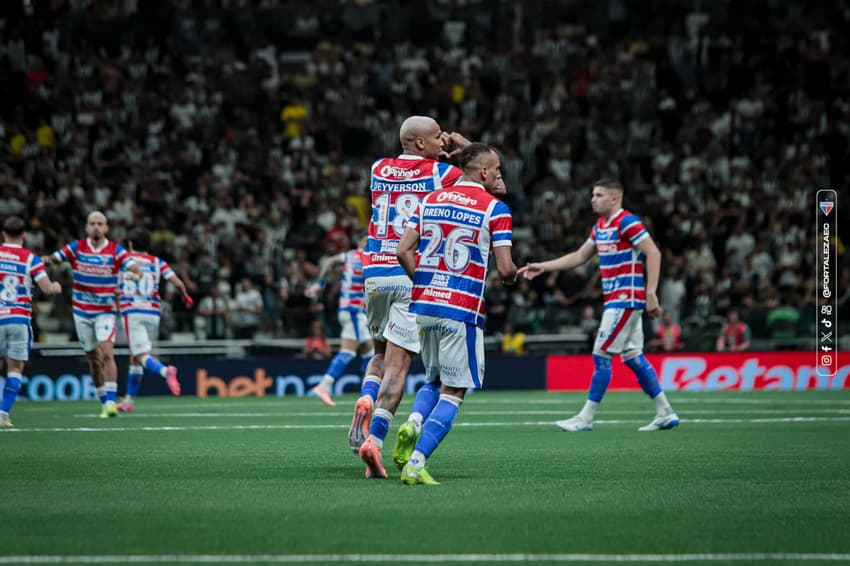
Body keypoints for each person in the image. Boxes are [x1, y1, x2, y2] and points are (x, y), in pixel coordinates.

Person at [388, 142, 516, 485]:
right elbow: (504, 269)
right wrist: (514, 275)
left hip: (425, 305)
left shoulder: (429, 200)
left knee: (432, 378)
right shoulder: (496, 209)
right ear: (484, 172)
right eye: (498, 169)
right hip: (462, 310)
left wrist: (425, 284)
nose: (501, 174)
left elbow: (403, 250)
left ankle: (413, 422)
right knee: (455, 390)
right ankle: (416, 461)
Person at [350, 115, 470, 465]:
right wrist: (462, 149)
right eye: (437, 137)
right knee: (399, 367)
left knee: (379, 353)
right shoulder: (441, 174)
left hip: (374, 273)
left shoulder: (378, 168)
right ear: (420, 143)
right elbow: (483, 177)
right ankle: (374, 440)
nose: (442, 141)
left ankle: (367, 398)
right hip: (408, 271)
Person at [518, 179, 680, 432]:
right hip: (618, 300)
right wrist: (543, 266)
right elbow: (579, 257)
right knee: (633, 356)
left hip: (625, 299)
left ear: (615, 198)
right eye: (593, 195)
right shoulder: (600, 226)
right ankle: (665, 412)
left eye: (599, 195)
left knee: (601, 354)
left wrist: (651, 293)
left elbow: (654, 252)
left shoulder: (627, 222)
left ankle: (585, 418)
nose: (593, 199)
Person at [43, 211, 142, 417]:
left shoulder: (116, 250)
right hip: (81, 311)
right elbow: (53, 259)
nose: (96, 227)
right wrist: (41, 261)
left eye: (100, 224)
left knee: (107, 353)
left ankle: (111, 403)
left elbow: (136, 268)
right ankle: (103, 399)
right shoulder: (76, 247)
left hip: (105, 311)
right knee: (93, 359)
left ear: (106, 228)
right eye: (92, 223)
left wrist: (134, 274)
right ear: (87, 227)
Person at [116, 228, 193, 413]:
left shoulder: (124, 259)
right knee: (136, 357)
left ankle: (166, 371)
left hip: (133, 311)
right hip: (153, 313)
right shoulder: (158, 262)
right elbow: (178, 283)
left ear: (131, 244)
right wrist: (185, 296)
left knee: (141, 355)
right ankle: (128, 401)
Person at [0, 216, 63, 427]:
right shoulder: (30, 258)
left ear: (3, 234)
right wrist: (56, 286)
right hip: (18, 319)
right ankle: (3, 413)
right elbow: (47, 289)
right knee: (15, 368)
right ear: (24, 236)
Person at [305, 234, 374, 408]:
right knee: (349, 351)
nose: (369, 243)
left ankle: (369, 392)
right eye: (366, 240)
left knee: (368, 349)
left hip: (351, 310)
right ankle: (325, 385)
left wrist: (319, 284)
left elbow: (330, 261)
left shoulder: (349, 255)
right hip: (354, 310)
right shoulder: (365, 255)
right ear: (360, 243)